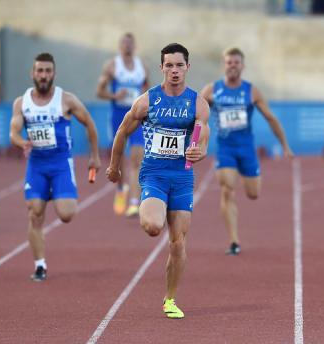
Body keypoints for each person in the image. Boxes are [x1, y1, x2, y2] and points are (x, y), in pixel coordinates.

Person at [106, 43, 209, 319]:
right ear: (161, 68)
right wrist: (114, 166)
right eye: (169, 65)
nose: (174, 70)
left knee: (178, 242)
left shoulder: (197, 102)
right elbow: (122, 132)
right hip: (154, 174)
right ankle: (153, 206)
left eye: (179, 65)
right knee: (152, 226)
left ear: (187, 67)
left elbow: (203, 134)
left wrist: (199, 151)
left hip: (182, 177)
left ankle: (170, 299)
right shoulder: (147, 101)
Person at [10, 52, 100, 281]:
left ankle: (53, 193)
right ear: (32, 73)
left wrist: (94, 156)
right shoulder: (22, 103)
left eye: (47, 71)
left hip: (60, 163)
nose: (43, 75)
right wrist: (22, 142)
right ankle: (40, 265)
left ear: (54, 74)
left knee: (67, 214)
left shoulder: (66, 100)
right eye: (39, 71)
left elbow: (89, 123)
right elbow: (13, 132)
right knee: (35, 212)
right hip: (37, 164)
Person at [199, 47, 292, 255]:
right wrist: (193, 141)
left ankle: (244, 174)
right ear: (224, 65)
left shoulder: (251, 91)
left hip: (247, 149)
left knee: (253, 193)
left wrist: (285, 145)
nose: (232, 66)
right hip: (225, 149)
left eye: (236, 62)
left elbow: (270, 118)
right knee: (226, 189)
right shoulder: (212, 90)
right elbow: (196, 116)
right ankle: (234, 240)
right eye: (229, 62)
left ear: (242, 66)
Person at [96, 33, 149, 217]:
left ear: (134, 46)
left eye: (130, 43)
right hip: (118, 117)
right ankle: (121, 188)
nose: (127, 46)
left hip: (136, 116)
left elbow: (147, 91)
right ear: (120, 46)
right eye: (124, 43)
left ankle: (134, 202)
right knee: (117, 160)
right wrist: (114, 96)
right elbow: (99, 91)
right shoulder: (112, 66)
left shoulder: (142, 67)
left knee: (137, 157)